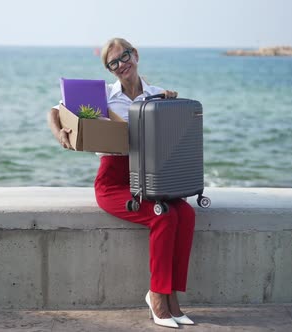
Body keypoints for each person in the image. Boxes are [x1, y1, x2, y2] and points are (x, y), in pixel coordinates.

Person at [47, 37, 196, 328]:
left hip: (152, 177)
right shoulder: (102, 96)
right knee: (162, 216)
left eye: (124, 56)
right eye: (112, 62)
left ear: (135, 54)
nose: (120, 65)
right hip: (113, 182)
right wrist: (60, 134)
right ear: (109, 69)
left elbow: (176, 133)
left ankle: (173, 296)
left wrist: (174, 105)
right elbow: (54, 110)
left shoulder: (157, 95)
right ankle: (157, 296)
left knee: (186, 214)